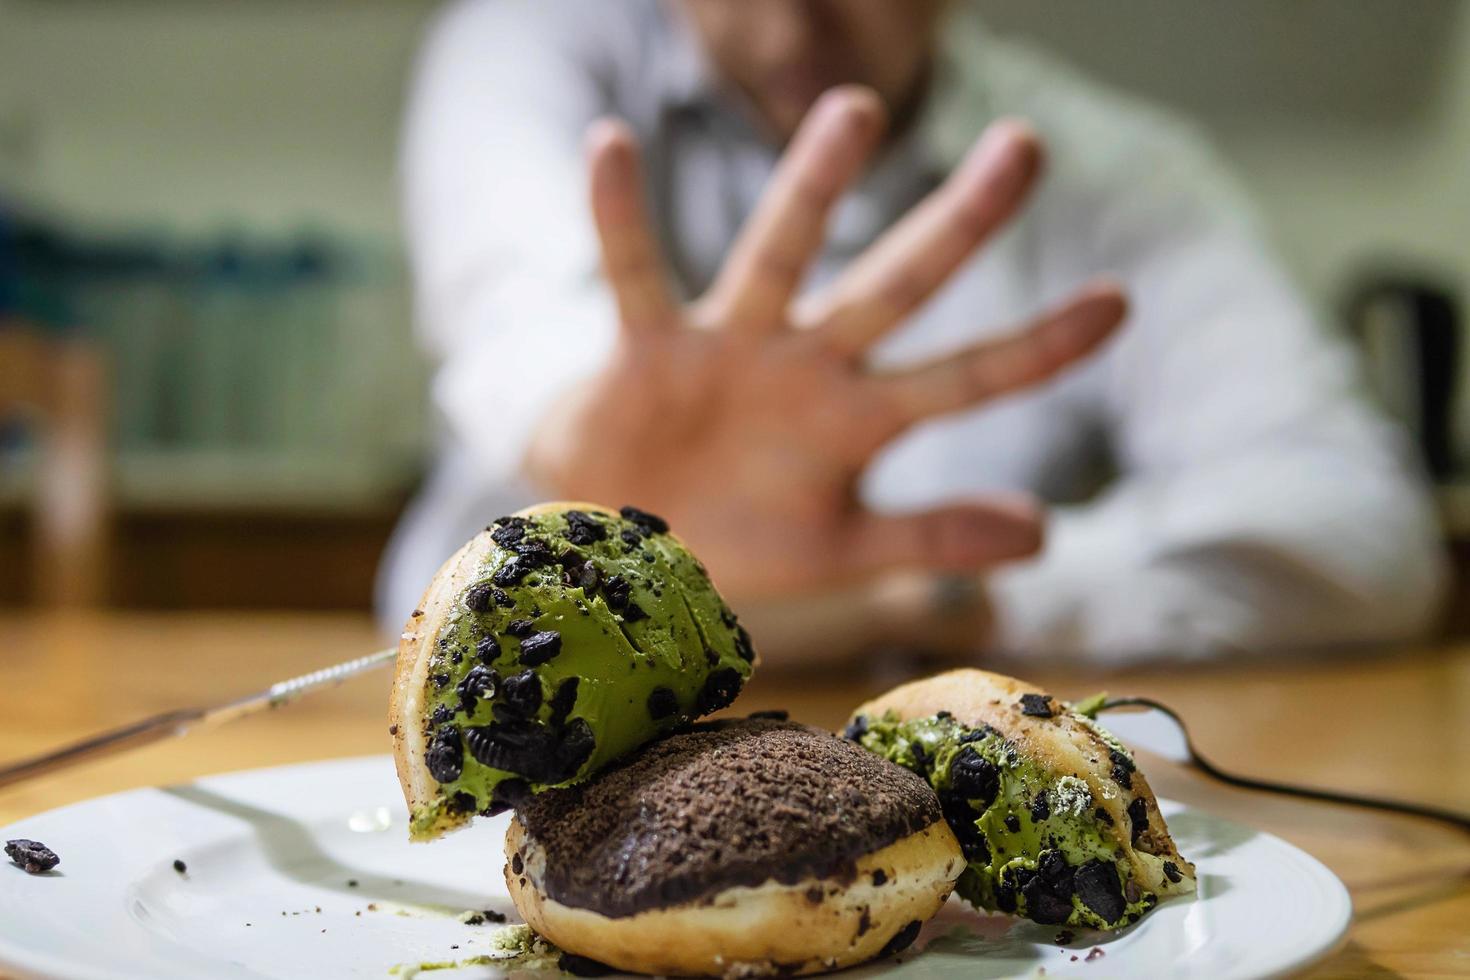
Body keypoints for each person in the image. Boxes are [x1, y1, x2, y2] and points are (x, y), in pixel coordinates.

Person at [378, 0, 1445, 664]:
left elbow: (1358, 537)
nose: (793, 23)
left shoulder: (1114, 175)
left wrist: (916, 599)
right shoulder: (524, 44)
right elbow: (519, 326)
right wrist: (592, 438)